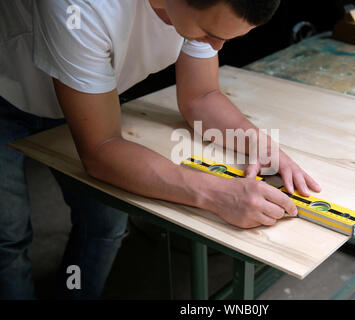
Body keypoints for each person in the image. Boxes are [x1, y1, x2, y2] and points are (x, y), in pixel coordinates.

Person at [0, 0, 321, 299]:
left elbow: (201, 97)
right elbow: (100, 150)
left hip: (93, 95)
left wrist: (261, 145)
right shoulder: (80, 8)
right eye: (210, 34)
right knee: (8, 238)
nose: (217, 47)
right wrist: (219, 194)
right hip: (9, 92)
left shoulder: (200, 11)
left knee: (106, 225)